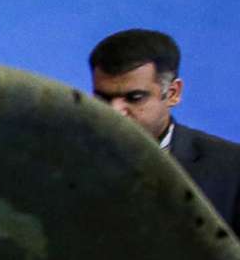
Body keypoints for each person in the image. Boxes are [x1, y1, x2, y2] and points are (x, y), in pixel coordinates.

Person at [89, 28, 240, 229]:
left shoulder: (231, 170)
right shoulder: (65, 161)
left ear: (173, 93)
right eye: (103, 98)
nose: (115, 111)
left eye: (134, 98)